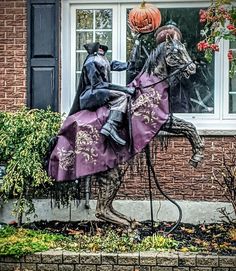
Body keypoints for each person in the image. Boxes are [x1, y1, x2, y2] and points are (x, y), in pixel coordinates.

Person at [69, 42, 135, 146]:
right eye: (99, 48)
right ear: (94, 50)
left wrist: (130, 65)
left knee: (122, 94)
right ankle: (111, 126)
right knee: (122, 97)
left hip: (99, 92)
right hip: (91, 94)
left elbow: (113, 65)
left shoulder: (101, 60)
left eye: (102, 48)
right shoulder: (91, 62)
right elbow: (99, 85)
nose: (102, 50)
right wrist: (124, 89)